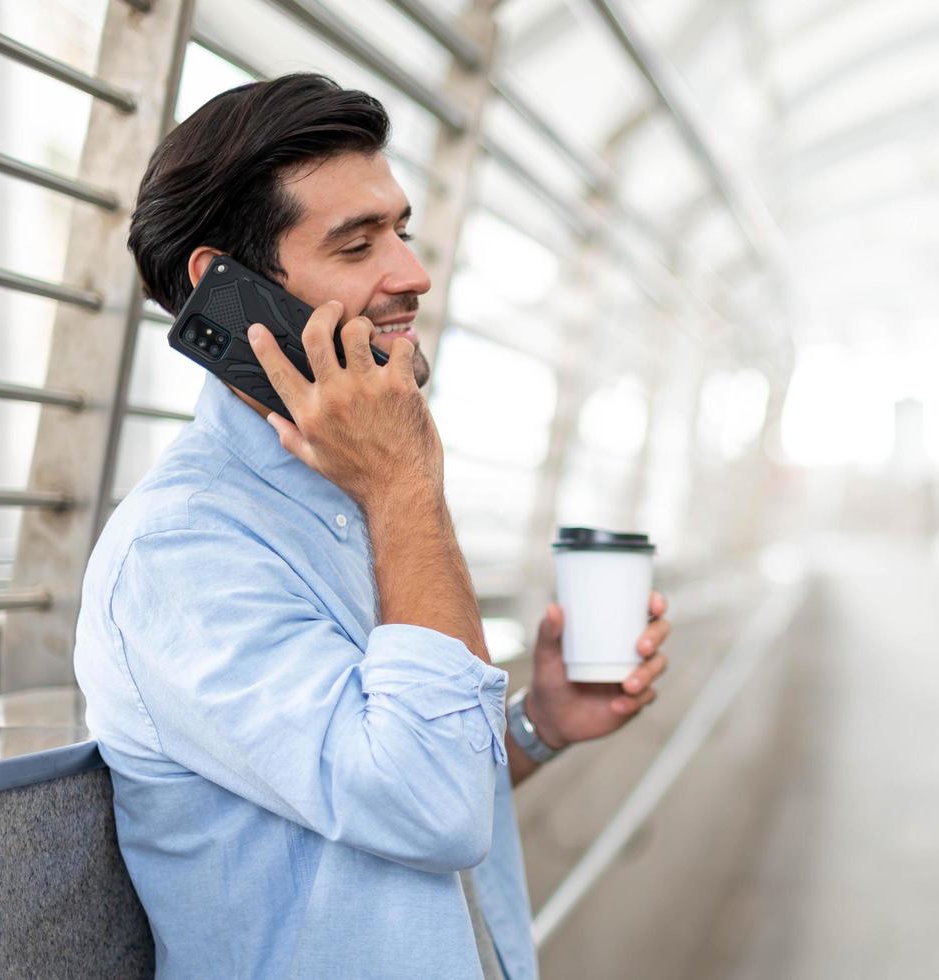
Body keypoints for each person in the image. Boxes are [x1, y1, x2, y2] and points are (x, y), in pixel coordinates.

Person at [72, 73, 671, 979]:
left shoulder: (352, 491)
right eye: (357, 246)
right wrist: (405, 485)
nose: (412, 275)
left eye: (402, 231)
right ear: (223, 288)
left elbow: (377, 780)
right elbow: (431, 807)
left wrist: (537, 725)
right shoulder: (184, 553)